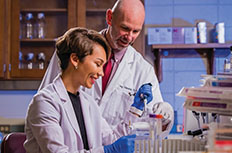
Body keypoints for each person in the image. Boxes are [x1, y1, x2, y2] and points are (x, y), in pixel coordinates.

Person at [38, 0, 174, 138]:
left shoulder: (143, 70)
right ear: (109, 17)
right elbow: (46, 101)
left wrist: (164, 114)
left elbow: (153, 124)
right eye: (125, 28)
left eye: (136, 31)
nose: (129, 37)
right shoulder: (73, 51)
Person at [24, 27, 154, 153]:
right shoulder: (45, 102)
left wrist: (135, 109)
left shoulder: (88, 103)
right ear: (75, 59)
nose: (101, 73)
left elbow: (112, 140)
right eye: (98, 64)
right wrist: (108, 151)